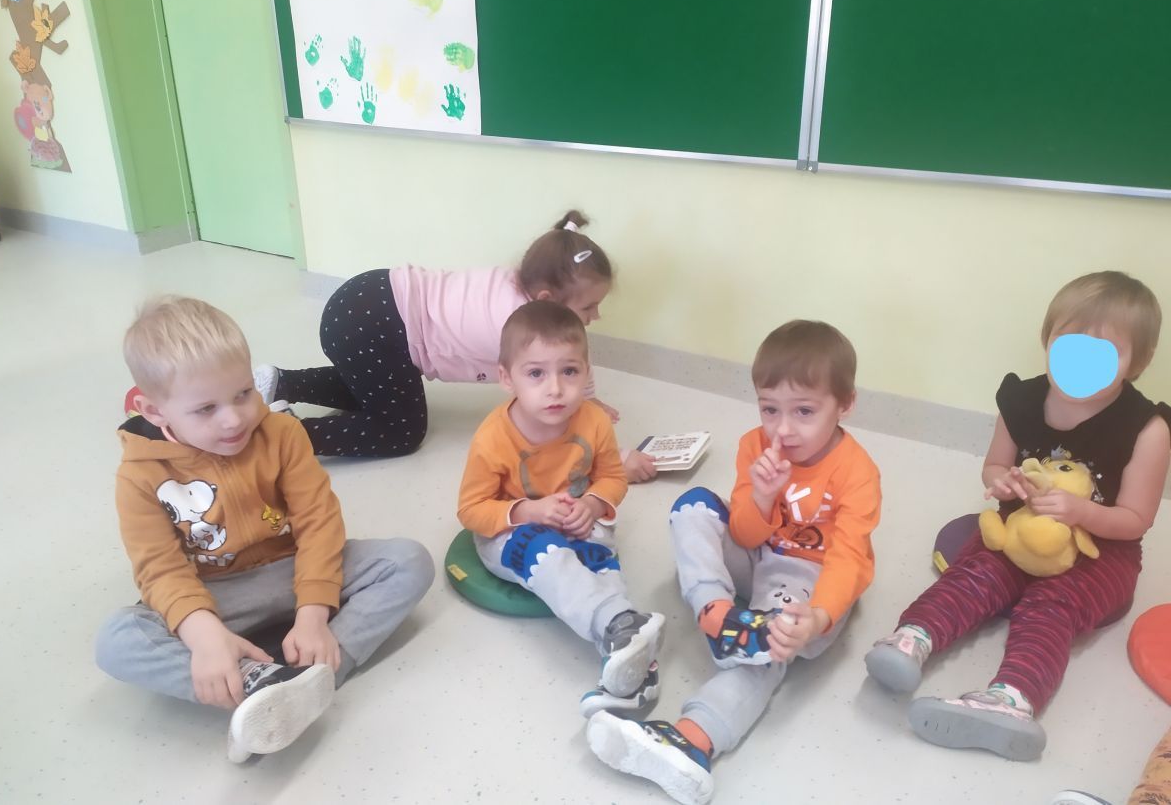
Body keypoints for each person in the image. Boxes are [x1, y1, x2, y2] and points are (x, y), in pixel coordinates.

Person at [95, 296, 434, 762]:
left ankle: (309, 678)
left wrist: (313, 616)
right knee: (117, 640)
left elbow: (318, 523)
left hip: (291, 571)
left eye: (243, 393)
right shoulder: (138, 475)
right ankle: (258, 685)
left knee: (409, 561)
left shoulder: (283, 434)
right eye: (206, 408)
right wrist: (204, 638)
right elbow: (159, 570)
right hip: (215, 597)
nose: (234, 418)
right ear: (153, 411)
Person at [865, 271, 1171, 761]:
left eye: (1103, 355)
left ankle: (1012, 700)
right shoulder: (1022, 400)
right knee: (976, 571)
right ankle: (913, 637)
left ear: (1138, 362)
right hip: (1020, 529)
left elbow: (1135, 519)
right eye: (1068, 346)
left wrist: (1082, 512)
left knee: (1052, 602)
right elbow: (994, 466)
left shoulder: (1147, 429)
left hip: (1100, 549)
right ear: (1047, 338)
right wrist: (1001, 482)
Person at [586, 320, 881, 804]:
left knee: (772, 643)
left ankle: (693, 740)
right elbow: (743, 534)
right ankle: (717, 614)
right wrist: (762, 496)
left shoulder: (858, 472)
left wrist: (817, 619)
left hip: (811, 577)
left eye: (805, 411)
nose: (783, 429)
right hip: (757, 552)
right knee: (694, 507)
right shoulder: (754, 446)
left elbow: (849, 558)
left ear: (845, 404)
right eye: (769, 409)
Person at [254, 210, 657, 481]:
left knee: (373, 389)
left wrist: (589, 396)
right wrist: (612, 459)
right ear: (548, 299)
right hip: (372, 325)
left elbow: (574, 356)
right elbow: (545, 411)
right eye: (589, 307)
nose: (595, 316)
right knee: (401, 430)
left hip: (365, 299)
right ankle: (285, 436)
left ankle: (280, 382)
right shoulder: (517, 328)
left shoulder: (527, 285)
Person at [457, 300, 664, 715]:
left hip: (578, 522)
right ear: (506, 377)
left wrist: (592, 504)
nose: (555, 389)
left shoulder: (595, 421)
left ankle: (628, 659)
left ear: (586, 372)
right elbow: (471, 510)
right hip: (515, 531)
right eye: (536, 373)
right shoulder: (492, 438)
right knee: (545, 551)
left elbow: (612, 478)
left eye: (569, 371)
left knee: (596, 554)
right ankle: (619, 624)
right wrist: (528, 512)